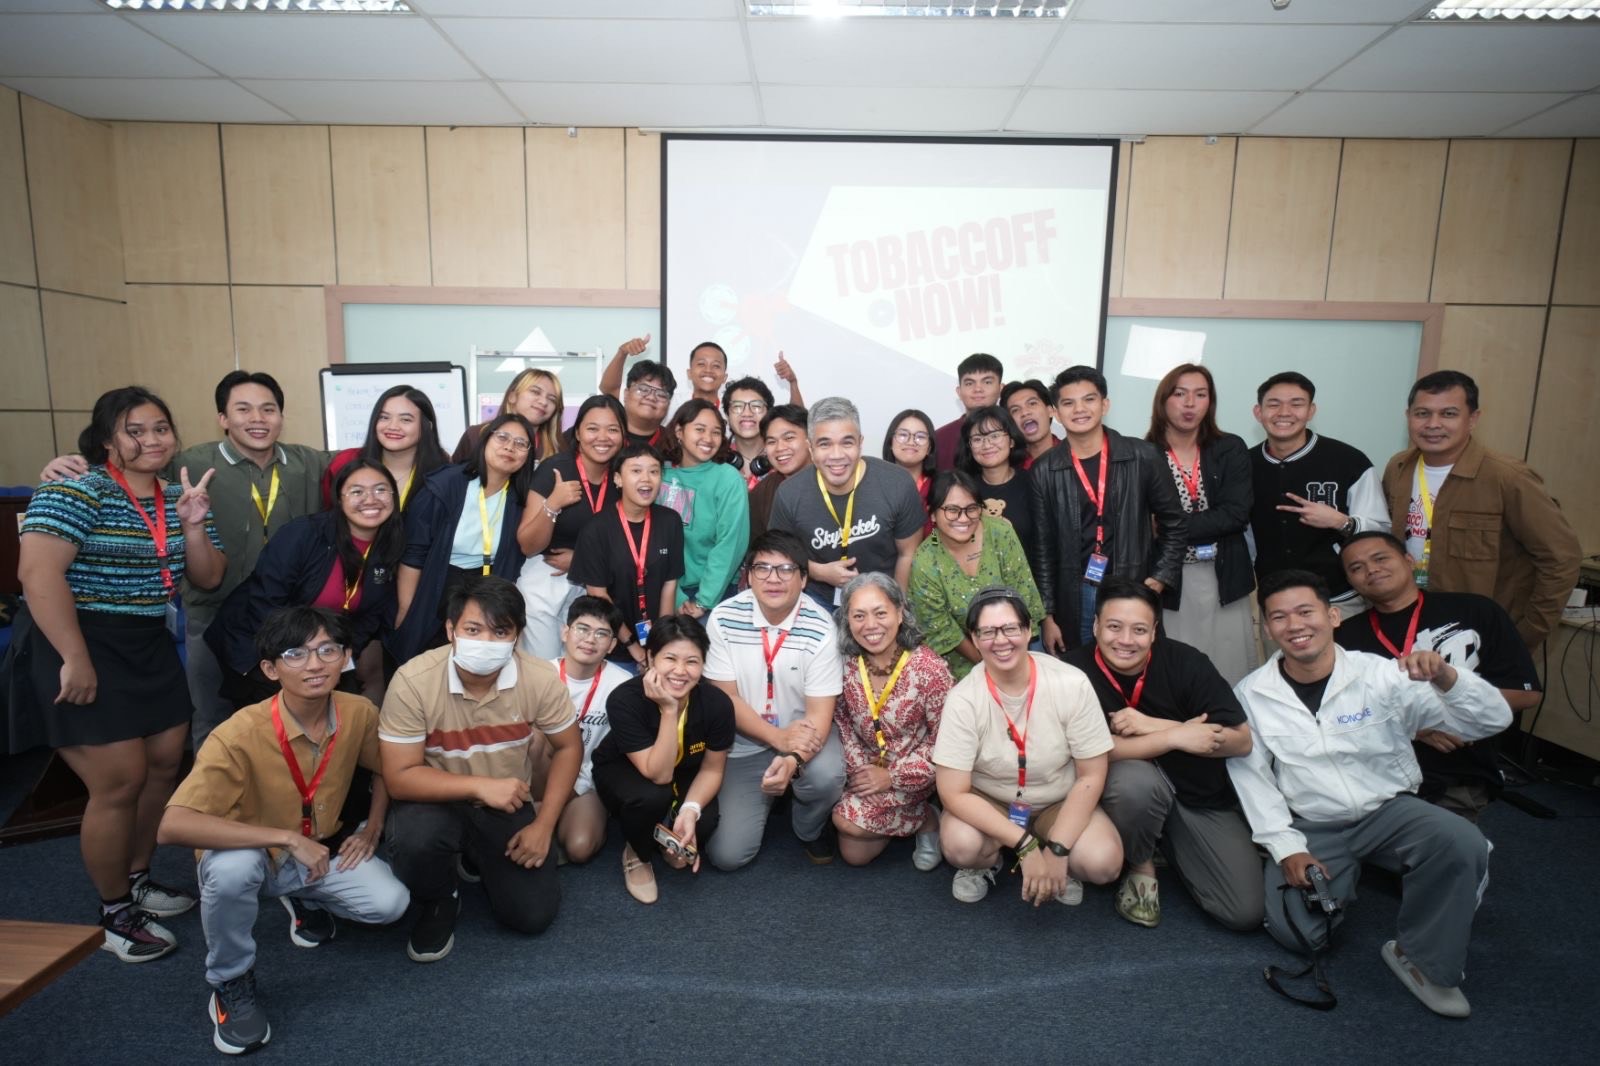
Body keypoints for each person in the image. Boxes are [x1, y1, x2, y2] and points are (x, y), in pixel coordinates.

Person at [1229, 570, 1512, 1018]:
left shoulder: (1382, 674)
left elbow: (1491, 720)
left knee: (1461, 842)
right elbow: (1253, 780)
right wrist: (1286, 848)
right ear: (1267, 628)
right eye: (1279, 617)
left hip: (1389, 811)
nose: (1294, 625)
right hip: (1315, 823)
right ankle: (1360, 875)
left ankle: (1422, 960)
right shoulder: (1251, 694)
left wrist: (1447, 677)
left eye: (1305, 611)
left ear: (1333, 616)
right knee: (1301, 937)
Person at [7, 386, 226, 961]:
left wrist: (194, 525)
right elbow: (38, 575)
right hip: (76, 638)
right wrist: (75, 657)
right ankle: (113, 913)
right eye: (135, 430)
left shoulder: (179, 495)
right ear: (107, 439)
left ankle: (137, 877)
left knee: (163, 766)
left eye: (161, 428)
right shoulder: (74, 489)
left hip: (146, 641)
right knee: (119, 780)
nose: (152, 440)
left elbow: (208, 577)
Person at [158, 607, 408, 1056]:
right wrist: (287, 838)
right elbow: (173, 825)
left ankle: (303, 898)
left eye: (327, 650)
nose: (315, 664)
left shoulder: (357, 712)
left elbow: (387, 768)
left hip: (318, 851)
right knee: (232, 870)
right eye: (296, 654)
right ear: (271, 669)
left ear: (346, 657)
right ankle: (231, 981)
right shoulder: (238, 734)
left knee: (390, 904)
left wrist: (372, 826)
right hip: (254, 853)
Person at [40, 370, 330, 748]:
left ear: (281, 416)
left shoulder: (308, 462)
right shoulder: (187, 463)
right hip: (212, 612)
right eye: (243, 409)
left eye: (268, 409)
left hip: (287, 617)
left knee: (291, 716)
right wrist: (71, 461)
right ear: (223, 418)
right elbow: (123, 461)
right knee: (211, 715)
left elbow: (365, 463)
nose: (257, 419)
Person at [379, 576, 583, 962]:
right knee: (415, 840)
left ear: (517, 636)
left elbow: (569, 747)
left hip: (506, 801)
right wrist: (479, 786)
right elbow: (399, 778)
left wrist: (544, 825)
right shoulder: (413, 681)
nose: (486, 642)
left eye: (500, 631)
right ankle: (440, 899)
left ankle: (476, 854)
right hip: (435, 799)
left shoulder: (540, 678)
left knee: (532, 915)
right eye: (473, 630)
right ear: (450, 630)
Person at [1063, 579, 1261, 931]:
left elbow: (1241, 741)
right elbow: (1087, 752)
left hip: (1196, 795)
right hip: (1121, 795)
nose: (1126, 640)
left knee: (1243, 911)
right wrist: (1176, 736)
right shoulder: (1071, 673)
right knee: (1134, 783)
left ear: (1155, 631)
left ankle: (1165, 841)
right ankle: (1140, 862)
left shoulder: (1187, 662)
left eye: (1139, 630)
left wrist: (1155, 725)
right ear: (1095, 626)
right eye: (1114, 627)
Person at [932, 586, 1122, 906]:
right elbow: (952, 792)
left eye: (1010, 628)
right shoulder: (963, 699)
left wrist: (1059, 848)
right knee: (960, 846)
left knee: (1103, 862)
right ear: (974, 638)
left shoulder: (1071, 683)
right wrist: (1025, 845)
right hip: (993, 800)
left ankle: (1057, 852)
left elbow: (1091, 775)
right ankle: (991, 859)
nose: (1001, 640)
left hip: (1056, 800)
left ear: (1028, 629)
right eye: (988, 632)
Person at [1336, 531, 1541, 821]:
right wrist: (1415, 726)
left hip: (1454, 772)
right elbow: (1340, 714)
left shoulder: (1475, 611)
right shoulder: (1344, 638)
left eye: (1380, 558)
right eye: (1357, 568)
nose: (1371, 570)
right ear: (1350, 581)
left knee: (1436, 842)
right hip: (1375, 775)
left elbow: (1525, 693)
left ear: (1409, 561)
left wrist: (1442, 718)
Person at [1381, 369, 1580, 649]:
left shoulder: (1507, 477)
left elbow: (1561, 559)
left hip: (1481, 635)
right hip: (1408, 624)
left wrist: (1526, 633)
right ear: (1408, 416)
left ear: (1473, 419)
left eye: (1449, 414)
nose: (1433, 424)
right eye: (1422, 413)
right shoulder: (1399, 467)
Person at [700, 531, 846, 870]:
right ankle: (767, 796)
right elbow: (726, 697)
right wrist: (777, 739)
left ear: (804, 579)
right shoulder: (723, 619)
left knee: (827, 776)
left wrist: (792, 758)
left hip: (805, 735)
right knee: (727, 856)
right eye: (762, 568)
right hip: (743, 741)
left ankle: (808, 827)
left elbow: (819, 715)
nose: (773, 579)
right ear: (748, 576)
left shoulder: (822, 628)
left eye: (786, 569)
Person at [208, 459, 404, 706]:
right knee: (280, 722)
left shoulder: (391, 544)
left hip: (324, 650)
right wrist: (300, 659)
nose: (370, 499)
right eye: (357, 491)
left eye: (380, 489)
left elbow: (371, 616)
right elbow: (265, 605)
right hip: (263, 643)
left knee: (345, 712)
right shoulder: (303, 534)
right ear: (339, 499)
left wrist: (338, 656)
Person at [1028, 366, 1186, 654]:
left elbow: (1175, 523)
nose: (1079, 409)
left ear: (1105, 404)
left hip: (1133, 585)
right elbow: (1043, 549)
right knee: (1081, 670)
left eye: (1089, 399)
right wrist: (1047, 616)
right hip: (1077, 593)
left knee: (1134, 663)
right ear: (1056, 412)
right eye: (1068, 403)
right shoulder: (1043, 470)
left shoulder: (1143, 456)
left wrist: (1161, 577)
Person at [591, 616, 736, 904]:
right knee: (651, 797)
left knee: (700, 827)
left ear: (703, 664)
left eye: (692, 662)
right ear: (650, 658)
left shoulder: (717, 704)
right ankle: (637, 851)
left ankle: (663, 830)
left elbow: (712, 769)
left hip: (685, 771)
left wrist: (691, 811)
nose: (680, 671)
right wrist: (669, 710)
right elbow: (658, 774)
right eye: (670, 658)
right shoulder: (624, 699)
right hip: (627, 771)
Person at [389, 412, 534, 665]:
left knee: (476, 662)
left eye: (521, 443)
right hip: (437, 581)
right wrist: (406, 610)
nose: (510, 447)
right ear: (485, 441)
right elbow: (414, 555)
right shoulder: (447, 484)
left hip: (487, 584)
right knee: (424, 661)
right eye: (502, 437)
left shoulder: (521, 499)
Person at [1145, 363, 1258, 685]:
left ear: (1211, 401)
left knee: (1231, 670)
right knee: (1179, 672)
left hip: (1225, 576)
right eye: (1180, 394)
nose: (1190, 403)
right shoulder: (1144, 454)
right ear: (1163, 400)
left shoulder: (1229, 448)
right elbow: (1140, 523)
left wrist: (1169, 528)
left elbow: (1235, 514)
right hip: (1170, 581)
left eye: (1200, 394)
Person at [831, 573, 951, 869]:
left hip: (915, 772)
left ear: (900, 613)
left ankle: (927, 818)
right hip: (864, 770)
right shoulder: (846, 664)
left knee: (845, 821)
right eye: (859, 616)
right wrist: (861, 771)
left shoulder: (930, 669)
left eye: (880, 613)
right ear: (847, 621)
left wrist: (891, 777)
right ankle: (912, 821)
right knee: (855, 855)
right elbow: (842, 721)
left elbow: (946, 743)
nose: (870, 625)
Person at [1249, 370, 1390, 616]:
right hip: (1275, 601)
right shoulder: (1244, 464)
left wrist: (1340, 521)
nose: (1284, 412)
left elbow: (1382, 531)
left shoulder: (1349, 461)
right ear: (1258, 412)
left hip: (1340, 599)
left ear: (1311, 411)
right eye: (1274, 404)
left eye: (1296, 404)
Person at [768, 396, 926, 608]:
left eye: (847, 442)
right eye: (825, 444)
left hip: (883, 597)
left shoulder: (897, 483)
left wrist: (896, 607)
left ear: (860, 444)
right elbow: (779, 555)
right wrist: (818, 572)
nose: (836, 455)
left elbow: (908, 554)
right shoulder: (789, 493)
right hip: (816, 600)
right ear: (810, 448)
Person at [516, 394, 626, 659]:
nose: (603, 437)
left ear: (624, 435)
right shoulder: (555, 470)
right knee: (545, 670)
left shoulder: (624, 476)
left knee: (581, 671)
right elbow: (527, 545)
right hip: (546, 583)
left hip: (596, 588)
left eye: (613, 429)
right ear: (577, 432)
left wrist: (581, 562)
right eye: (592, 428)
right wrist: (553, 503)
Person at [910, 471, 1043, 683]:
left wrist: (1009, 657)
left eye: (971, 509)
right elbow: (942, 629)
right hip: (965, 659)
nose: (963, 518)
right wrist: (988, 662)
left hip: (1017, 644)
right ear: (932, 514)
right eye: (952, 510)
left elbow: (1024, 595)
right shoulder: (926, 560)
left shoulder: (1000, 533)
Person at [530, 597, 633, 865]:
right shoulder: (539, 675)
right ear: (565, 632)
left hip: (587, 778)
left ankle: (550, 818)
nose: (590, 640)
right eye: (582, 629)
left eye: (601, 634)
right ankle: (542, 812)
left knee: (580, 847)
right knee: (534, 738)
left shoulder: (623, 686)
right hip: (539, 774)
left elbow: (613, 756)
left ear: (612, 645)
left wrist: (575, 790)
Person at [567, 444, 686, 670]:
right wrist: (633, 646)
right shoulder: (596, 529)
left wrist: (660, 644)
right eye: (636, 471)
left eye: (654, 471)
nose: (646, 478)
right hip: (611, 643)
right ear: (618, 479)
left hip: (656, 643)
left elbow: (669, 585)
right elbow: (598, 594)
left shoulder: (670, 521)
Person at [658, 399, 751, 616]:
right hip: (664, 587)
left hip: (714, 593)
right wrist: (675, 596)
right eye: (699, 429)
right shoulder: (658, 473)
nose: (708, 439)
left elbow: (729, 545)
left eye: (716, 432)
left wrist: (703, 601)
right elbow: (651, 540)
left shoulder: (728, 479)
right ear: (679, 432)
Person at [323, 383, 450, 510]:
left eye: (405, 419)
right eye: (384, 417)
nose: (392, 426)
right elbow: (329, 513)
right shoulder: (345, 461)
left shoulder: (443, 473)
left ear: (427, 426)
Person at [956, 405, 1034, 550]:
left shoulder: (1033, 483)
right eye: (978, 439)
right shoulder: (962, 490)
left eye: (994, 436)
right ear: (969, 446)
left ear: (1011, 441)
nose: (987, 445)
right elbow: (938, 535)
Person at [452, 367, 565, 465]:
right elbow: (452, 479)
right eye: (535, 392)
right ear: (512, 396)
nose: (544, 402)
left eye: (552, 399)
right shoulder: (476, 435)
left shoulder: (558, 449)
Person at [747, 403, 810, 542]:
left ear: (810, 439)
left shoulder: (833, 480)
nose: (780, 448)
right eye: (771, 442)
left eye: (789, 438)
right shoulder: (761, 493)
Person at [933, 353, 1005, 470]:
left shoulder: (1015, 431)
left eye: (987, 382)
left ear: (1001, 388)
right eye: (969, 383)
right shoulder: (939, 438)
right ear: (959, 392)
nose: (978, 389)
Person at [723, 376, 778, 489]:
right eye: (737, 406)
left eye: (756, 406)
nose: (747, 413)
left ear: (768, 414)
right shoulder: (716, 459)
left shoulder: (782, 457)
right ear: (727, 415)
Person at [882, 409, 937, 519]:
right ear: (890, 443)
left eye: (920, 437)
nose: (911, 442)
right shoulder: (875, 484)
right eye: (903, 434)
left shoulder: (940, 488)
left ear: (929, 448)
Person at [620, 359, 677, 450]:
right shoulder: (605, 437)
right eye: (643, 389)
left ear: (669, 404)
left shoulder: (674, 445)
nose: (651, 397)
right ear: (626, 394)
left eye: (661, 394)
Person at [1002, 378, 1059, 470]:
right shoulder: (1008, 468)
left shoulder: (1074, 453)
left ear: (1050, 410)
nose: (1025, 412)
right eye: (1015, 410)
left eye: (1032, 404)